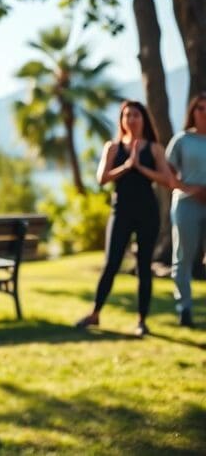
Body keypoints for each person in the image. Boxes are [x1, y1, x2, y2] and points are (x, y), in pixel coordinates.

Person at [76, 101, 171, 337]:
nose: (131, 119)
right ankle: (95, 313)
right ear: (122, 120)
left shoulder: (154, 148)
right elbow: (102, 178)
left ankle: (141, 320)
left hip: (147, 212)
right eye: (126, 115)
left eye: (136, 115)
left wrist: (141, 167)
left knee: (143, 266)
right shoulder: (113, 148)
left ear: (143, 119)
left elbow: (167, 179)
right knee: (111, 263)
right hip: (121, 212)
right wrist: (128, 166)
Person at [166, 91, 206, 328]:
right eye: (200, 108)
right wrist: (191, 189)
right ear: (193, 112)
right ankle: (185, 309)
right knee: (183, 257)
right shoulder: (182, 140)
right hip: (186, 204)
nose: (204, 113)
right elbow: (168, 172)